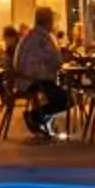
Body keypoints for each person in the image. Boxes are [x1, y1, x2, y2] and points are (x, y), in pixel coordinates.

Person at [14, 9, 69, 139]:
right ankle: (35, 117)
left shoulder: (28, 36)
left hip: (23, 79)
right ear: (48, 21)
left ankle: (41, 121)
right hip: (36, 81)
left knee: (58, 93)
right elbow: (57, 61)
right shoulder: (44, 38)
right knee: (66, 99)